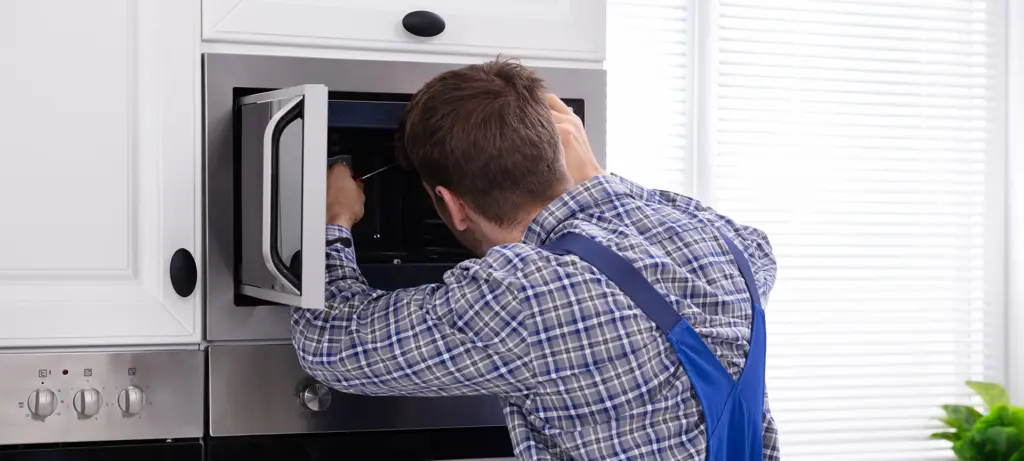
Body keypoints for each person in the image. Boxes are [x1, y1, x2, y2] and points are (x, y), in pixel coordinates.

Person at [291, 58, 779, 460]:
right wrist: (596, 179)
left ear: (453, 206)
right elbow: (757, 250)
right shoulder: (727, 246)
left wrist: (334, 221)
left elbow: (328, 342)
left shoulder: (522, 293)